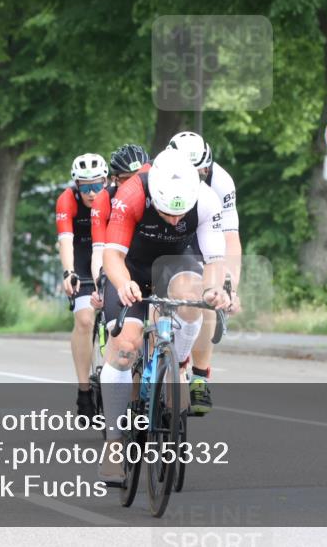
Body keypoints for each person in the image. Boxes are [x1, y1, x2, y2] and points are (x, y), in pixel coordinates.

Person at [97, 148, 230, 482]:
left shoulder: (205, 199)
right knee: (125, 348)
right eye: (167, 213)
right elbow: (112, 255)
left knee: (192, 295)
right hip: (131, 266)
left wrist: (215, 289)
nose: (174, 220)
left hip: (176, 261)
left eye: (180, 214)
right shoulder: (131, 193)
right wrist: (123, 282)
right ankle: (114, 444)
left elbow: (214, 258)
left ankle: (179, 363)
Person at [169, 131, 243, 415]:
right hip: (169, 233)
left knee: (208, 296)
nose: (201, 176)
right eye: (194, 172)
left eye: (204, 170)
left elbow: (230, 238)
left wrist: (230, 286)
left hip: (204, 234)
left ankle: (200, 376)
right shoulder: (159, 175)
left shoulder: (221, 182)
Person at [56, 153, 111, 418]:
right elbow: (65, 240)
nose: (91, 193)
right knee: (86, 320)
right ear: (76, 185)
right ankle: (84, 390)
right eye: (85, 187)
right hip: (80, 260)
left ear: (107, 181)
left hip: (108, 259)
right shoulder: (67, 200)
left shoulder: (114, 198)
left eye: (97, 185)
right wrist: (69, 273)